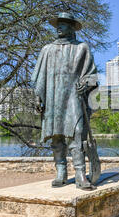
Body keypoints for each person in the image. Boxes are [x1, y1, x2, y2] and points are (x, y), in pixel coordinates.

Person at [31, 12, 98, 190]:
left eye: (63, 24)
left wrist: (86, 84)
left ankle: (80, 173)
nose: (59, 27)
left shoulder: (81, 48)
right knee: (56, 135)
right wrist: (38, 96)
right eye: (58, 24)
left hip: (73, 98)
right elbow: (38, 78)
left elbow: (93, 76)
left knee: (77, 133)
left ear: (71, 27)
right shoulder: (47, 50)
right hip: (53, 99)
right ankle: (60, 171)